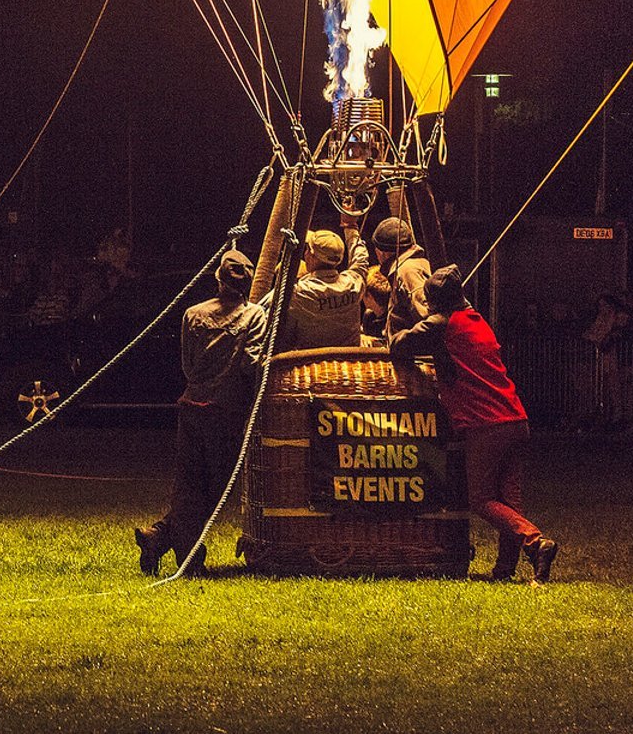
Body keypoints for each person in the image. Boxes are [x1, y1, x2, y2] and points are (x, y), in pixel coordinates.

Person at [390, 264, 560, 582]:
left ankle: (536, 543)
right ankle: (504, 570)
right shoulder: (475, 320)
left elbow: (399, 344)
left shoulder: (441, 323)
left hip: (486, 424)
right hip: (515, 418)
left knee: (481, 499)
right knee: (509, 500)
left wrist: (400, 311)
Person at [135, 249, 269, 576]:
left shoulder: (193, 314)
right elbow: (252, 363)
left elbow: (187, 363)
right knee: (215, 488)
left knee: (189, 484)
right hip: (226, 410)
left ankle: (160, 536)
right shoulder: (254, 317)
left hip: (192, 404)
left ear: (218, 279)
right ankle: (188, 558)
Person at [280, 223, 369, 352]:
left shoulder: (300, 292)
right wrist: (350, 226)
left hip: (311, 365)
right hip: (350, 360)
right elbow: (361, 257)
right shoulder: (353, 283)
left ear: (311, 256)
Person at [363, 216, 432, 340]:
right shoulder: (418, 263)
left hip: (415, 356)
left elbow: (427, 317)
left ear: (381, 252)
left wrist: (400, 342)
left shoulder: (407, 271)